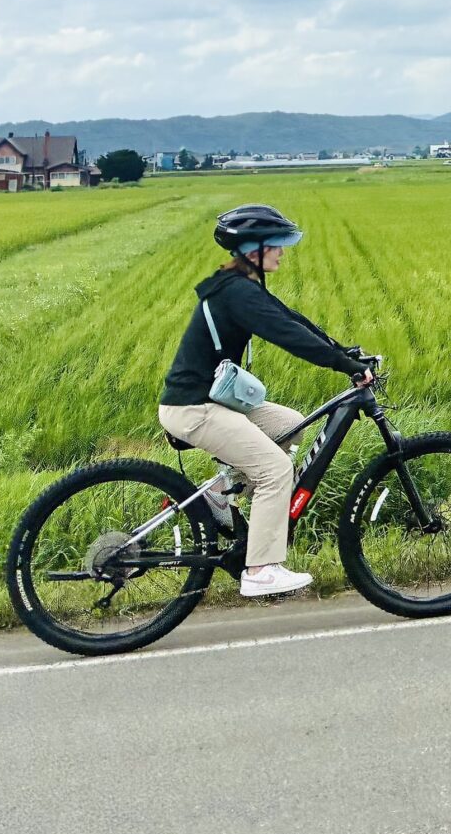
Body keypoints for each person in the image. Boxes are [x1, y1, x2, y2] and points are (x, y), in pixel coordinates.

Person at [157, 202, 371, 599]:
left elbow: (292, 320)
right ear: (252, 249)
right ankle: (261, 569)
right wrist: (344, 366)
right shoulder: (236, 292)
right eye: (276, 244)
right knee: (275, 470)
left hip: (209, 401)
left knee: (289, 424)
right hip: (193, 408)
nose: (282, 251)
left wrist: (345, 352)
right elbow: (286, 336)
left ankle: (221, 496)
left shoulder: (239, 285)